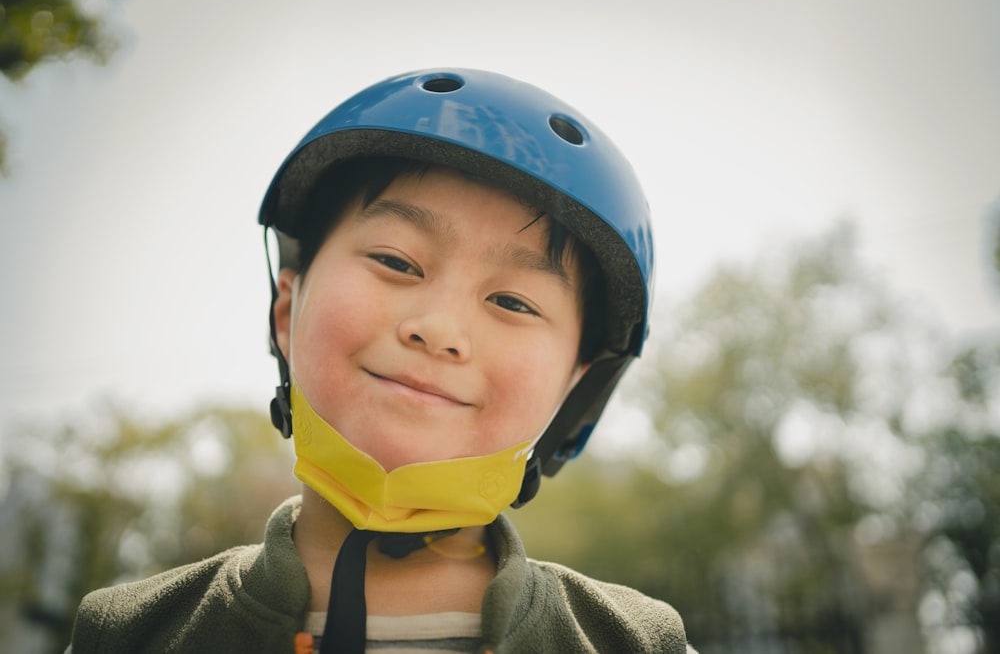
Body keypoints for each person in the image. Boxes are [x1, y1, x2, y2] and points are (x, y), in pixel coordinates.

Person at [68, 68, 694, 653]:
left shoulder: (633, 642)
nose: (439, 330)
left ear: (573, 389)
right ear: (286, 311)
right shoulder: (132, 634)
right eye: (396, 262)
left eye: (511, 300)